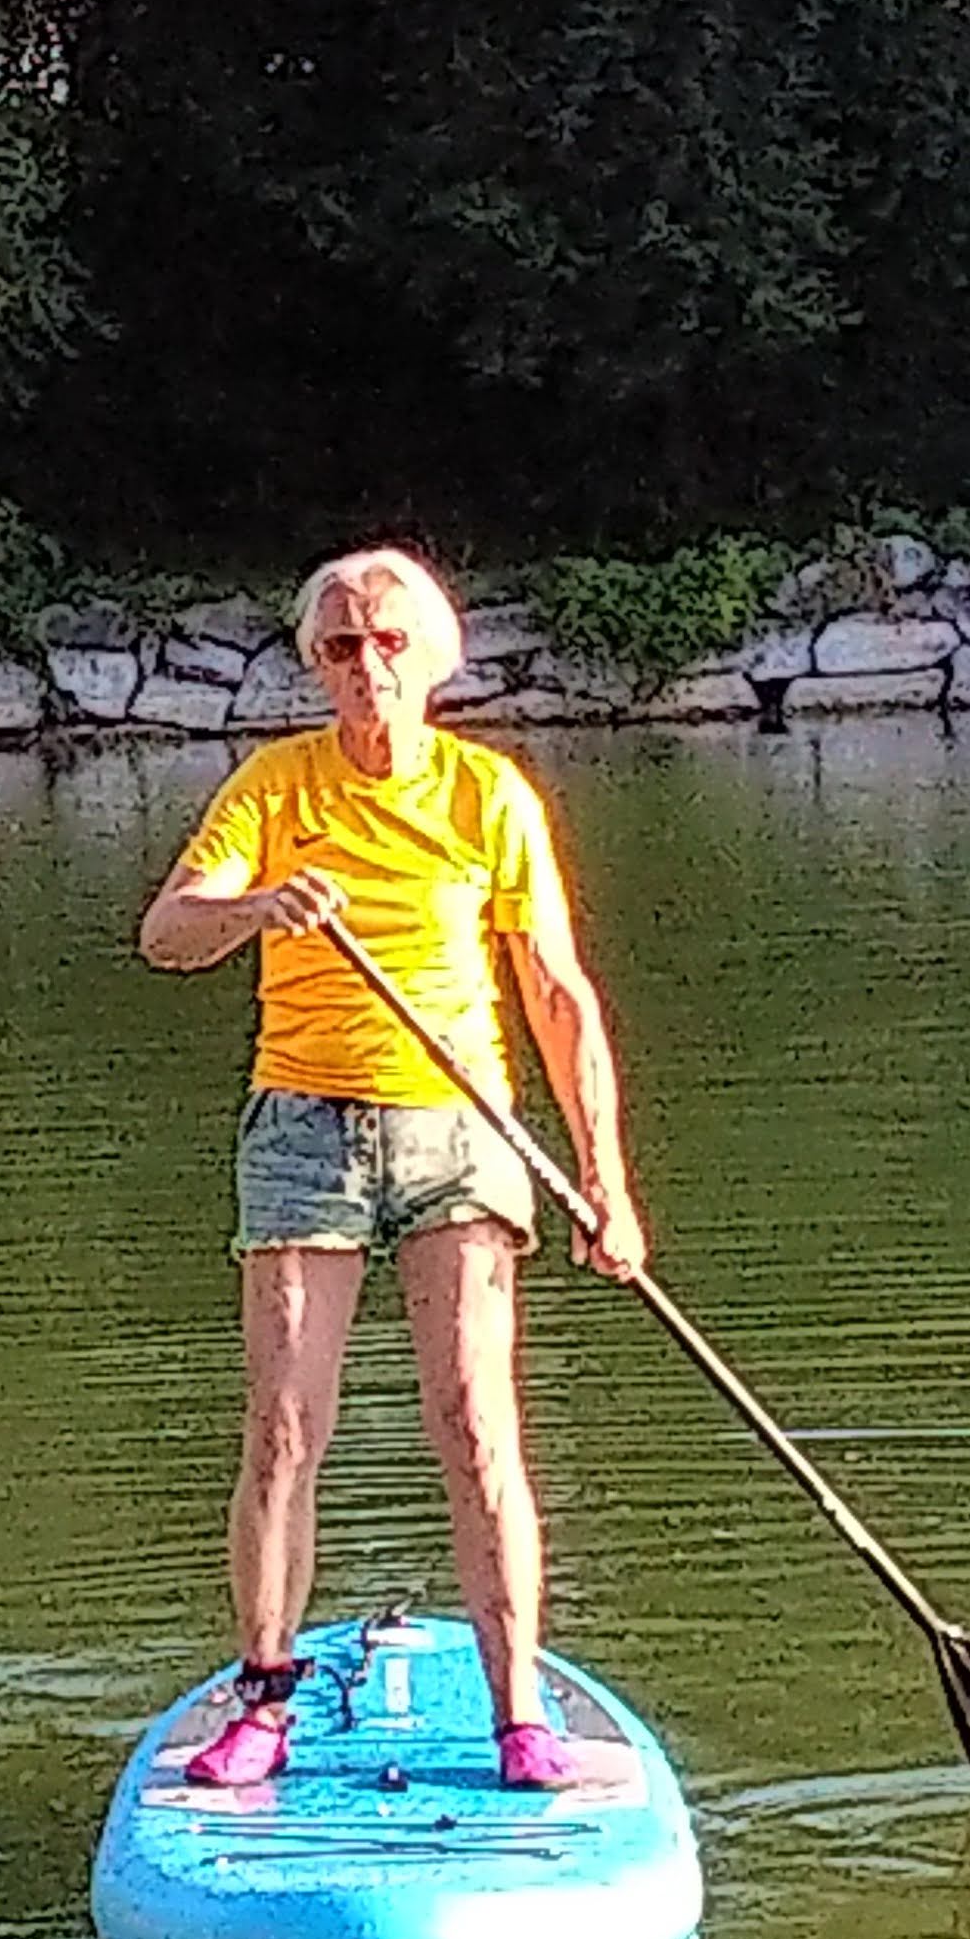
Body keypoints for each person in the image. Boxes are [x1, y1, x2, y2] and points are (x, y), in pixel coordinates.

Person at [138, 547, 647, 1791]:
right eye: (339, 647)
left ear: (436, 658)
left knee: (478, 1424)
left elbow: (557, 994)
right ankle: (261, 1697)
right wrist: (257, 908)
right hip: (305, 1129)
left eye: (387, 642)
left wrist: (607, 1182)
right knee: (283, 1427)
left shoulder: (490, 798)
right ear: (315, 665)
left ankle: (521, 1715)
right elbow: (166, 935)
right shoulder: (273, 788)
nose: (367, 666)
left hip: (462, 1128)